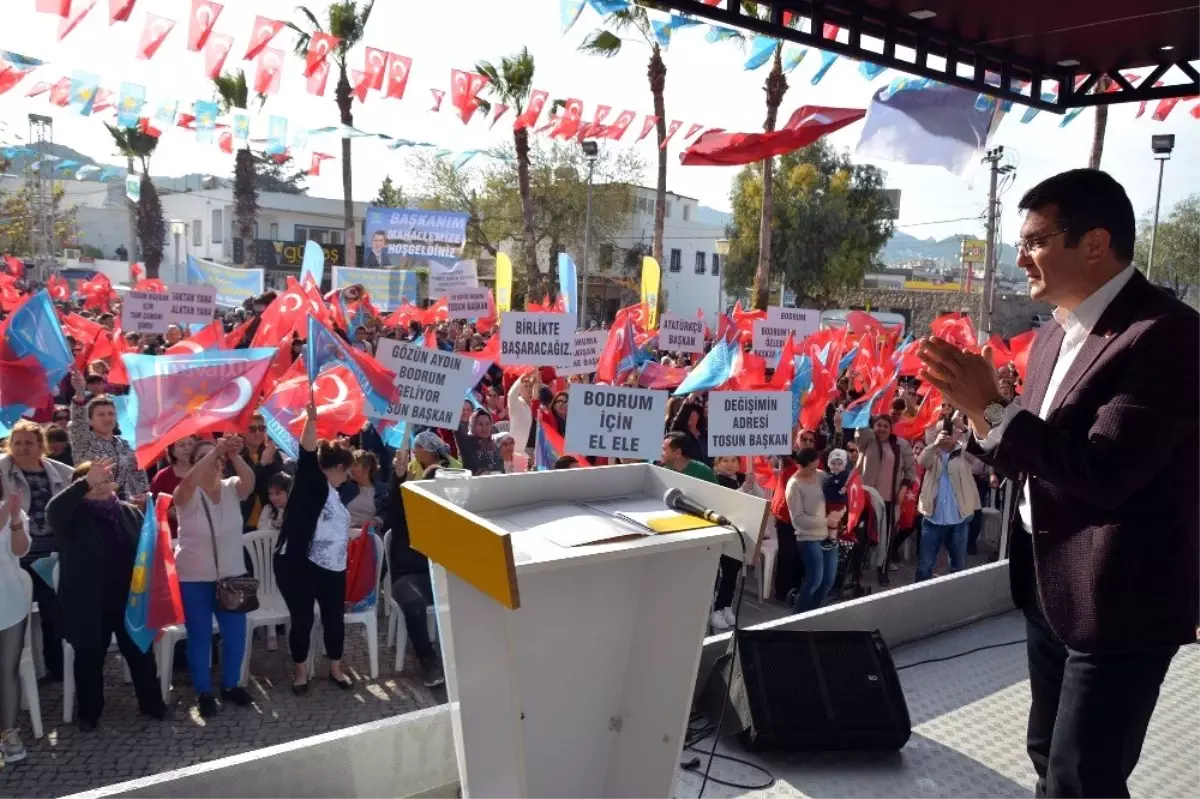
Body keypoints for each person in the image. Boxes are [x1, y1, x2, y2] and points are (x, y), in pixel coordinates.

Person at [917, 168, 1200, 798]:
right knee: (1049, 756)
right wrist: (977, 418)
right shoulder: (1051, 336)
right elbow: (1034, 454)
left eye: (1036, 242)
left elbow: (1105, 473)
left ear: (1095, 244)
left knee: (1081, 778)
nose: (1019, 258)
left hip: (1120, 599)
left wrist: (992, 411)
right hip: (1045, 585)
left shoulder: (1168, 337)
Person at [46, 459, 166, 730]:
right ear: (81, 487)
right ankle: (89, 713)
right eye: (93, 483)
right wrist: (86, 481)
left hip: (128, 600)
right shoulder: (71, 516)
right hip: (89, 603)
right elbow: (53, 510)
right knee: (89, 658)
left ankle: (152, 704)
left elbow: (145, 554)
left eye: (104, 480)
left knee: (140, 654)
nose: (100, 487)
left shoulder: (127, 512)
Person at [274, 403, 356, 694]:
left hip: (332, 566)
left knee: (334, 616)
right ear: (336, 468)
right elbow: (308, 453)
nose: (348, 477)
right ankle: (300, 671)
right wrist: (310, 420)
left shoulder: (334, 492)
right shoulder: (313, 481)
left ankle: (335, 667)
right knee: (303, 618)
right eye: (347, 471)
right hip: (299, 563)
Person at [172, 437, 257, 717]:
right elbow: (185, 488)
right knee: (199, 637)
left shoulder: (232, 488)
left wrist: (233, 454)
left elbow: (250, 480)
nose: (214, 461)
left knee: (235, 637)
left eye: (217, 458)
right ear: (194, 464)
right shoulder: (186, 492)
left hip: (232, 575)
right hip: (194, 577)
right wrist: (215, 452)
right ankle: (203, 691)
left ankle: (231, 685)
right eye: (204, 458)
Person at [1, 421, 73, 683]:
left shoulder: (61, 472)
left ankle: (56, 670)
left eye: (29, 442)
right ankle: (14, 670)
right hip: (16, 556)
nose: (22, 447)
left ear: (41, 446)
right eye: (17, 442)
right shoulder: (2, 469)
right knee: (14, 613)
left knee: (53, 614)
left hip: (51, 555)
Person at [384, 449, 445, 688]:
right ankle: (427, 660)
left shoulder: (448, 516)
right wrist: (398, 476)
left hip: (438, 575)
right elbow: (395, 500)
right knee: (414, 604)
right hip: (408, 578)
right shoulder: (406, 510)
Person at [68, 371, 149, 503]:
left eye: (111, 414)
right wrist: (80, 392)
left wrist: (144, 495)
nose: (107, 418)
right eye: (101, 414)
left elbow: (138, 474)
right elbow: (78, 420)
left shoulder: (125, 445)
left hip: (121, 506)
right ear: (89, 420)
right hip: (91, 504)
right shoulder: (83, 440)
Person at [855, 415, 915, 586]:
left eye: (885, 426)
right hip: (867, 497)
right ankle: (856, 571)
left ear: (891, 428)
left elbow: (910, 470)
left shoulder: (901, 445)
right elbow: (860, 434)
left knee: (887, 538)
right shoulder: (868, 441)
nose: (881, 429)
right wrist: (866, 411)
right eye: (878, 425)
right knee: (862, 534)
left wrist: (903, 490)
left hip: (889, 499)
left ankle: (882, 570)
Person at [914, 428, 980, 581]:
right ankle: (919, 599)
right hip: (933, 518)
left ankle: (957, 599)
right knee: (925, 565)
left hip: (959, 518)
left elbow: (975, 458)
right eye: (945, 431)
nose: (948, 435)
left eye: (951, 432)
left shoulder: (963, 451)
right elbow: (922, 462)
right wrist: (936, 443)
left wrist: (962, 438)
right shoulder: (933, 451)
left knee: (959, 565)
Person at [785, 448, 841, 612]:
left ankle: (813, 612)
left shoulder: (821, 475)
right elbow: (798, 519)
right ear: (799, 466)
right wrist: (826, 522)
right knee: (815, 579)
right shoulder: (794, 485)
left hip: (829, 535)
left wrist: (840, 512)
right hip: (808, 537)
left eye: (816, 467)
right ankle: (799, 615)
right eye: (810, 469)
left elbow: (836, 496)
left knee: (828, 581)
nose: (814, 471)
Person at [0, 480, 29, 764]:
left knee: (7, 670)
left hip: (8, 602)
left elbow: (20, 551)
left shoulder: (11, 509)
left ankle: (8, 732)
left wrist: (16, 519)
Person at [456, 409, 503, 475]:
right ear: (473, 425)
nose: (484, 428)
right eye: (480, 424)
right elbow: (455, 422)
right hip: (472, 483)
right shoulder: (466, 442)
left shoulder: (496, 444)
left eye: (487, 424)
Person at [343, 450, 380, 531]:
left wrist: (377, 521)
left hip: (368, 534)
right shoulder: (345, 487)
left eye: (355, 465)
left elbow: (386, 513)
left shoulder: (380, 490)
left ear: (367, 468)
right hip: (346, 531)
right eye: (350, 465)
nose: (351, 469)